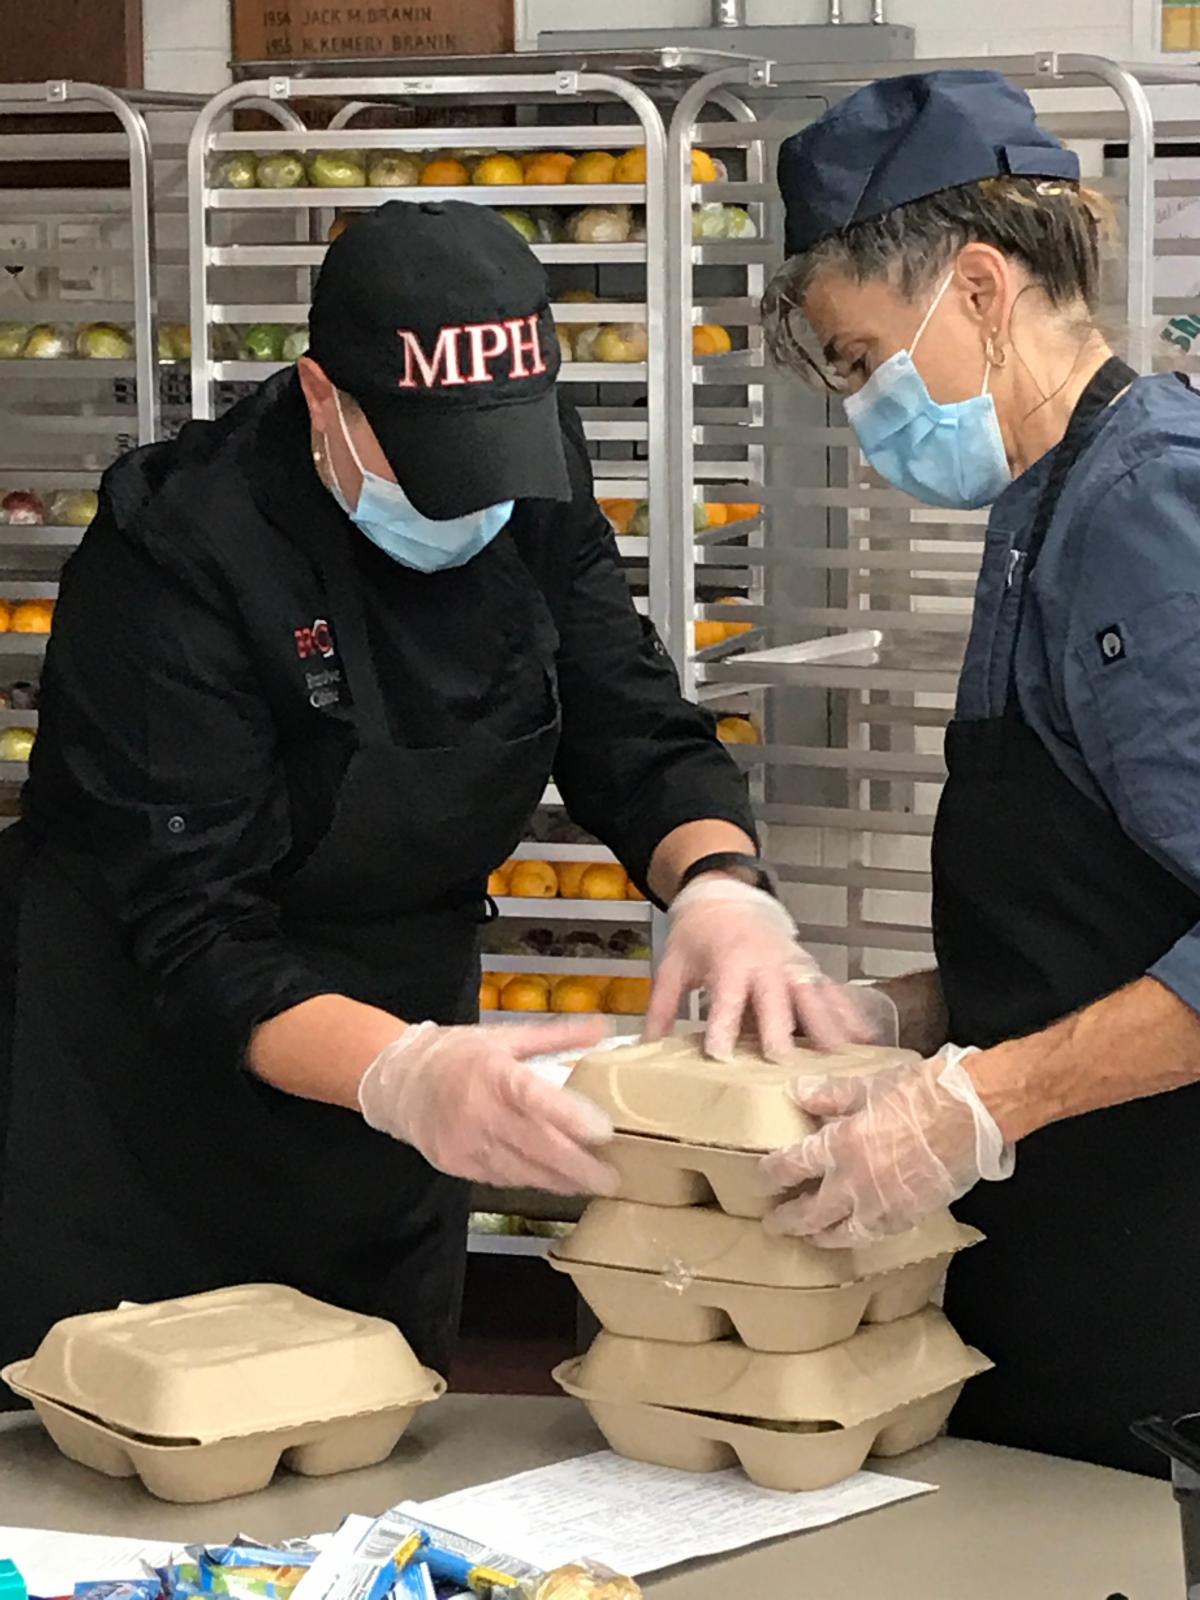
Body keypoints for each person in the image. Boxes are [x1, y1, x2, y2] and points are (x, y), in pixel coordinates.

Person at [0, 199, 866, 1382]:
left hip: (401, 1039)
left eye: (493, 458)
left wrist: (720, 884)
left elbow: (624, 713)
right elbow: (194, 931)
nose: (473, 502)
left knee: (378, 1416)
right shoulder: (180, 552)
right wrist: (399, 1072)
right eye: (436, 463)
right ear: (323, 397)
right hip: (150, 1094)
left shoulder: (530, 464)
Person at [758, 69, 1200, 1476]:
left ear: (982, 290)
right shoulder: (1045, 506)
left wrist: (979, 1104)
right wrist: (901, 1016)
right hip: (1073, 1255)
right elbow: (1105, 908)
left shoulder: (1147, 509)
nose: (861, 408)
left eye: (861, 359)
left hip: (1165, 1290)